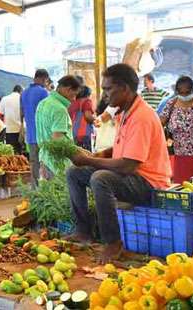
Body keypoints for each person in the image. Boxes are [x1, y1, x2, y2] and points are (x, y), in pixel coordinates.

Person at [66, 64, 171, 263]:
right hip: (131, 177)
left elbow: (128, 165)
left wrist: (89, 160)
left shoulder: (142, 117)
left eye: (108, 89)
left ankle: (113, 242)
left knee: (100, 178)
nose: (104, 95)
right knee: (74, 172)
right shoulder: (125, 113)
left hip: (149, 183)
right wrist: (101, 154)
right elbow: (122, 149)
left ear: (125, 88)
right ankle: (83, 232)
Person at [36, 75, 81, 179]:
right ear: (68, 90)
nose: (74, 99)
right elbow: (58, 139)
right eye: (74, 95)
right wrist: (78, 153)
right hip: (57, 164)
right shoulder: (59, 109)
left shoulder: (43, 103)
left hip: (43, 158)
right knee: (60, 193)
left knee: (47, 193)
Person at [21, 69, 50, 186]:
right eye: (46, 81)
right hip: (43, 135)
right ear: (43, 79)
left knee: (34, 163)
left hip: (31, 135)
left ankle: (35, 188)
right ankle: (49, 189)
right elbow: (48, 112)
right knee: (47, 162)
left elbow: (22, 112)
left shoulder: (24, 93)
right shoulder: (43, 92)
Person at [68, 84, 95, 151]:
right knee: (88, 157)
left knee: (79, 156)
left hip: (73, 134)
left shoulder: (71, 103)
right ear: (87, 94)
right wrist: (95, 120)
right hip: (85, 135)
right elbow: (88, 117)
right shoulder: (86, 101)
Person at [0, 85, 23, 154]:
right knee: (19, 152)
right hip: (20, 130)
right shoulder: (22, 98)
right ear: (20, 91)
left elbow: (0, 115)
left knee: (10, 152)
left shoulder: (5, 99)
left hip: (9, 130)